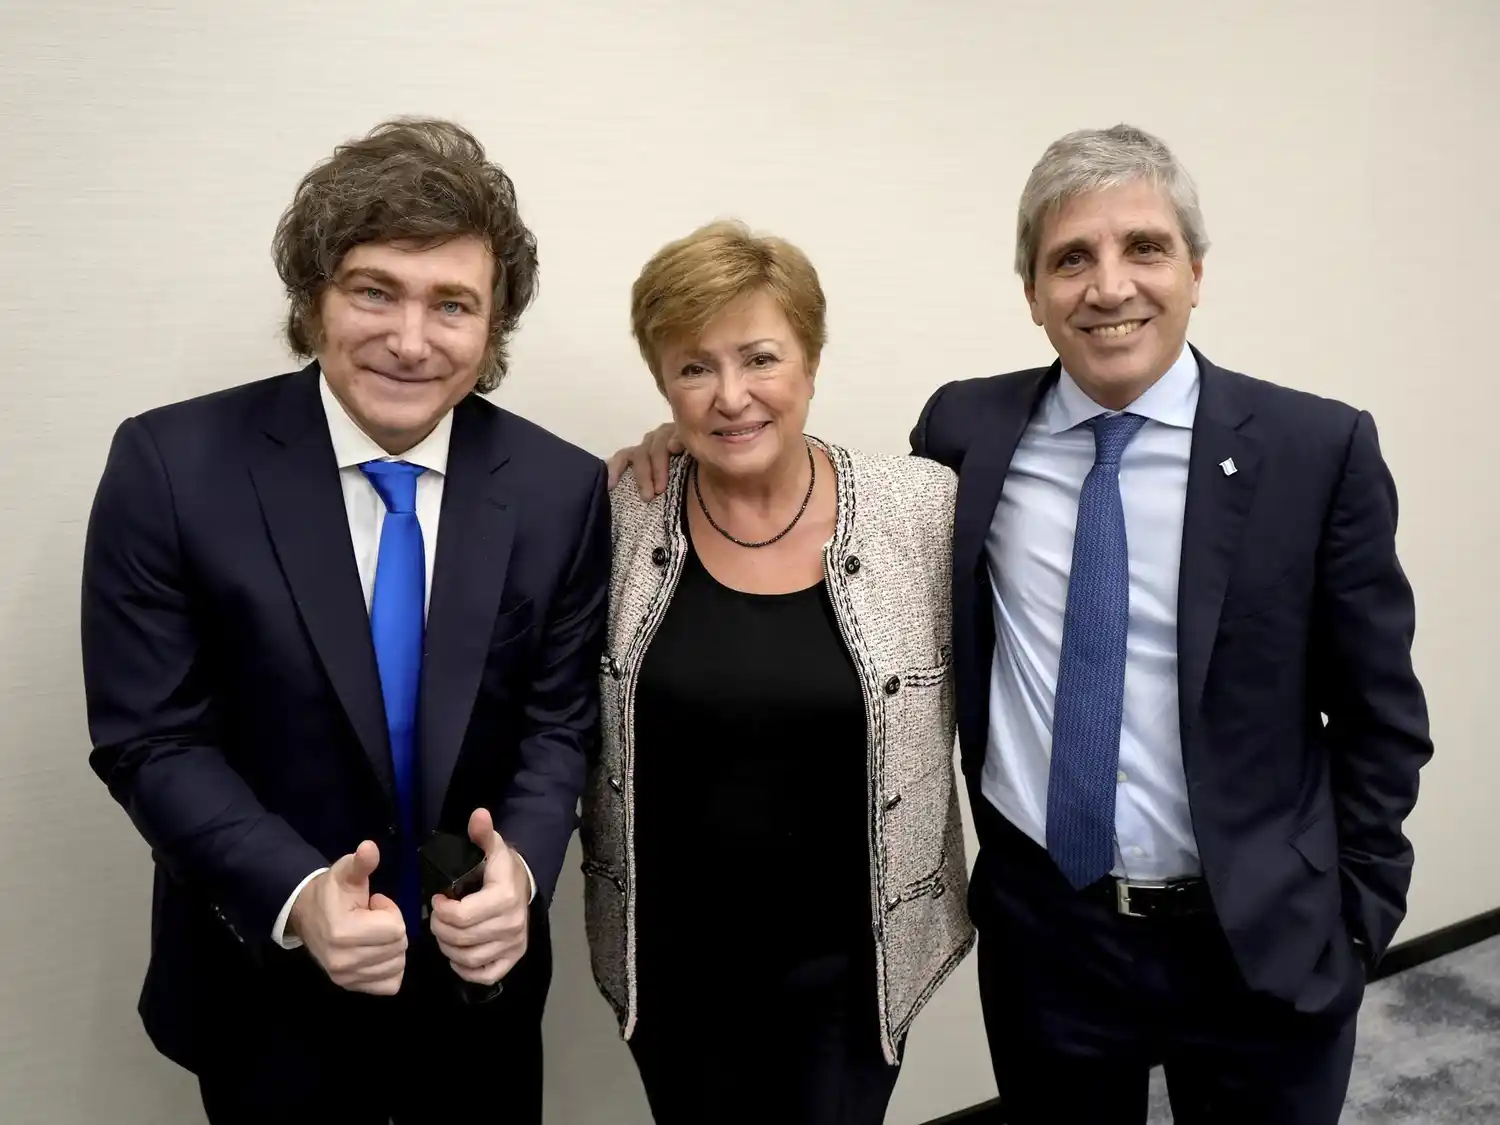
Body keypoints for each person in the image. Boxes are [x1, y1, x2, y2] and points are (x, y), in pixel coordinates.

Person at [608, 125, 1433, 1124]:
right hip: (1052, 938)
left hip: (1257, 935)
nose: (1109, 286)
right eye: (1071, 258)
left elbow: (1381, 716)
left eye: (1144, 247)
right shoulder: (967, 436)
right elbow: (811, 489)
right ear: (1033, 292)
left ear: (1196, 271)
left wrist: (1359, 919)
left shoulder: (1316, 449)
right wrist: (686, 439)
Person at [81, 118, 610, 1124]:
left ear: (492, 326)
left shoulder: (562, 489)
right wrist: (296, 892)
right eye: (375, 291)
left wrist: (525, 870)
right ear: (313, 295)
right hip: (264, 984)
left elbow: (558, 725)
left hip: (478, 999)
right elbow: (151, 738)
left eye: (452, 304)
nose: (411, 340)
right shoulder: (170, 468)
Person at [584, 220, 972, 1125]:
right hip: (672, 968)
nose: (731, 397)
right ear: (664, 383)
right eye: (695, 367)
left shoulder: (921, 510)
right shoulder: (618, 517)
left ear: (811, 361)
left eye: (760, 358)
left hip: (853, 969)